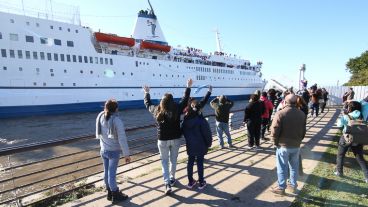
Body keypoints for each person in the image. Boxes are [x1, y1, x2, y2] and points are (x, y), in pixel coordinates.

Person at [143, 79, 193, 195]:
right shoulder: (177, 108)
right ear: (172, 101)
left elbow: (148, 104)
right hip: (175, 138)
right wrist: (188, 86)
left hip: (162, 140)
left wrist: (146, 93)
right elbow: (185, 100)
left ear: (162, 101)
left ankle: (167, 184)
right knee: (173, 160)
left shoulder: (157, 110)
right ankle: (172, 178)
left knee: (164, 161)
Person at [96, 99, 131, 203]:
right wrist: (126, 155)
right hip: (113, 151)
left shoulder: (100, 116)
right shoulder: (116, 120)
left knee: (106, 172)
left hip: (103, 150)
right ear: (116, 109)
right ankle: (115, 195)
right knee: (112, 174)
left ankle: (109, 193)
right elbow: (122, 139)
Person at [270, 94, 306, 195]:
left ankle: (281, 187)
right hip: (296, 144)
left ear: (285, 102)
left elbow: (274, 130)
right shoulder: (302, 114)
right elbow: (303, 131)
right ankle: (293, 186)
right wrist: (299, 140)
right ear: (296, 102)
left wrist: (274, 142)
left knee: (282, 167)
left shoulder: (280, 113)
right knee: (294, 167)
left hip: (283, 145)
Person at [182, 99, 213, 190]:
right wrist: (209, 143)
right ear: (200, 110)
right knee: (200, 162)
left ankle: (190, 182)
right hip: (200, 145)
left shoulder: (186, 120)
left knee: (190, 162)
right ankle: (201, 182)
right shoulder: (201, 120)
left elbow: (183, 131)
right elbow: (207, 134)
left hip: (190, 144)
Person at [334, 101, 368, 183]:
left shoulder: (347, 116)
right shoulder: (363, 116)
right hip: (359, 139)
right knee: (360, 158)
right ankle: (367, 176)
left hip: (347, 138)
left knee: (340, 155)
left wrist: (343, 115)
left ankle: (339, 172)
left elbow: (339, 124)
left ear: (350, 108)